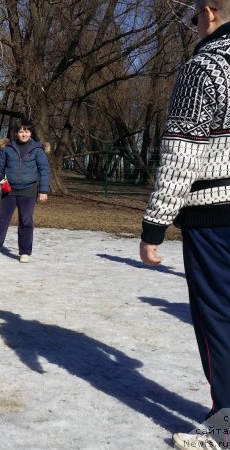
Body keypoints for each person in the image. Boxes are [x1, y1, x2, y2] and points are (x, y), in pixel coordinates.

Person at [140, 2, 230, 448]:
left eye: (193, 18)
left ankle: (225, 430)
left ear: (209, 13)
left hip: (217, 216)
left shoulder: (206, 67)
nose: (193, 26)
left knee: (219, 323)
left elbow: (181, 156)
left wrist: (155, 227)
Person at [0, 119, 50, 263]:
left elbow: (44, 170)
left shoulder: (37, 150)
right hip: (9, 190)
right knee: (2, 220)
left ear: (30, 133)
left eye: (26, 131)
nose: (24, 134)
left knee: (26, 221)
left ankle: (25, 252)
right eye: (21, 131)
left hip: (29, 190)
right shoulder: (8, 148)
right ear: (17, 133)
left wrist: (43, 190)